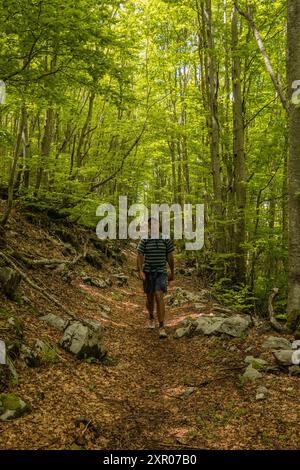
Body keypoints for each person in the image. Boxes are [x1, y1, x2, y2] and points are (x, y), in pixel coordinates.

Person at [137, 217, 174, 339]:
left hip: (161, 272)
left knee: (159, 295)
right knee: (150, 297)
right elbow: (140, 255)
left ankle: (162, 326)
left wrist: (172, 271)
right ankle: (151, 317)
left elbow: (170, 256)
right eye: (150, 225)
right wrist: (140, 271)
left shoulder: (165, 239)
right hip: (148, 272)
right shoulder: (145, 239)